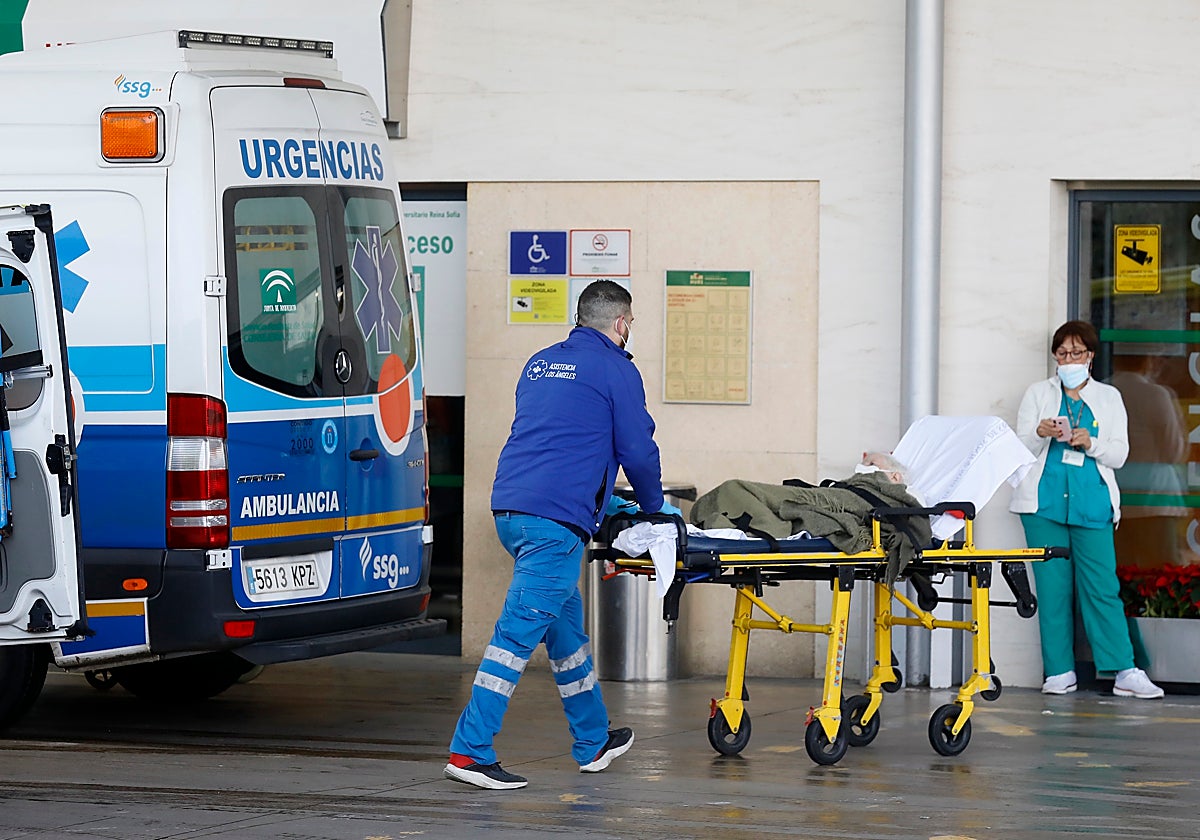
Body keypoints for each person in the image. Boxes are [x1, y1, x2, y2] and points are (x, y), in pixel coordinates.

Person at [445, 280, 681, 790]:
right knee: (513, 640)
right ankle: (469, 753)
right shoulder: (618, 369)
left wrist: (604, 501)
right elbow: (638, 450)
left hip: (512, 509)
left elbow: (559, 441)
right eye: (631, 324)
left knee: (567, 635)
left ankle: (593, 740)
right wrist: (655, 508)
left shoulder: (540, 362)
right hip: (554, 525)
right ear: (621, 324)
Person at [1010, 320, 1163, 699]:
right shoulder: (1037, 393)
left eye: (1076, 352)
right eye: (1062, 353)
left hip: (1092, 504)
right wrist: (1038, 434)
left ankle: (1124, 670)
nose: (1069, 359)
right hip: (1043, 506)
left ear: (1091, 356)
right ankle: (1059, 672)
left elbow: (1120, 453)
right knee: (1052, 588)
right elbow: (1015, 449)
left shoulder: (1109, 397)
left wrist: (1090, 442)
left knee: (1101, 589)